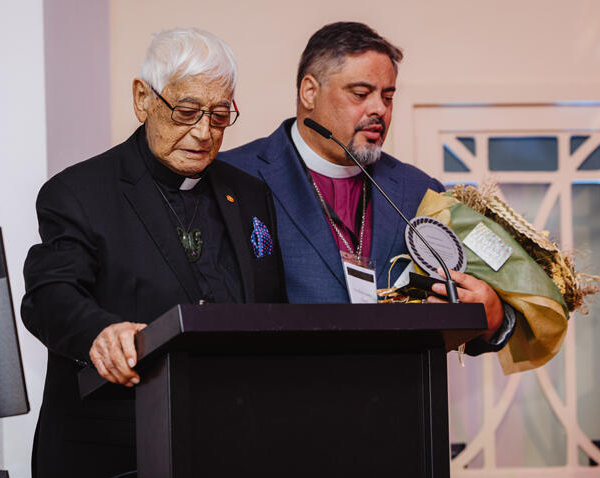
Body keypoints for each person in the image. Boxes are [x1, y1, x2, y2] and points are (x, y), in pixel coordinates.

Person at [21, 28, 286, 478]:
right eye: (186, 112)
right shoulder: (80, 193)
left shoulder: (248, 194)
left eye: (220, 114)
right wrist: (98, 332)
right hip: (114, 464)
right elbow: (50, 293)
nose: (204, 132)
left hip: (230, 453)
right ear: (143, 99)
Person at [220, 21, 514, 349]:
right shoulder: (233, 176)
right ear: (309, 91)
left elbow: (467, 300)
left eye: (387, 97)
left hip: (402, 390)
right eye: (361, 94)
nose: (379, 109)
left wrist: (495, 317)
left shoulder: (419, 190)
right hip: (282, 389)